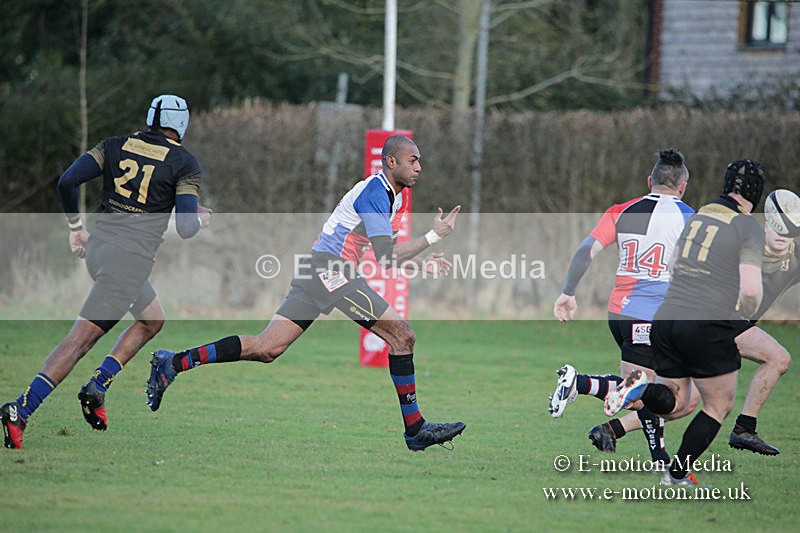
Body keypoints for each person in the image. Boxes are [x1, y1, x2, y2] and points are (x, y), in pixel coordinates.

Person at [145, 134, 466, 451]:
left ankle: (173, 362)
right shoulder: (375, 191)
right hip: (331, 271)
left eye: (419, 160)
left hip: (323, 271)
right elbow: (385, 256)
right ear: (391, 161)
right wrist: (432, 237)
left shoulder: (395, 195)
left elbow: (383, 254)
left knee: (267, 348)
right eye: (413, 160)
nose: (419, 167)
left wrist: (420, 264)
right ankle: (415, 429)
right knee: (402, 336)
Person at [1, 95, 211, 449]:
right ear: (183, 125)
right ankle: (21, 409)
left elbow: (67, 182)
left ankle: (97, 386)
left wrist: (75, 228)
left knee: (152, 320)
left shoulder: (114, 145)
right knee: (79, 340)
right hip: (128, 263)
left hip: (99, 252)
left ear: (150, 118)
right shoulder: (184, 164)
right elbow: (188, 227)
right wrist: (203, 218)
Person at [605, 159, 766, 486]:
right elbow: (750, 289)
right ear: (757, 193)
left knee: (674, 402)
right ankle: (676, 473)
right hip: (705, 320)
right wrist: (745, 316)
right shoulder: (746, 225)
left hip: (666, 315)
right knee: (718, 404)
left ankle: (633, 388)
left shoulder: (702, 213)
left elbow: (675, 261)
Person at [549, 149, 694, 466]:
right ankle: (581, 383)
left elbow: (586, 250)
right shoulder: (691, 219)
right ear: (682, 186)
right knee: (670, 397)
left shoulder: (622, 211)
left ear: (649, 181)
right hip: (659, 320)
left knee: (649, 395)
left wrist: (568, 293)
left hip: (620, 315)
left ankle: (659, 459)